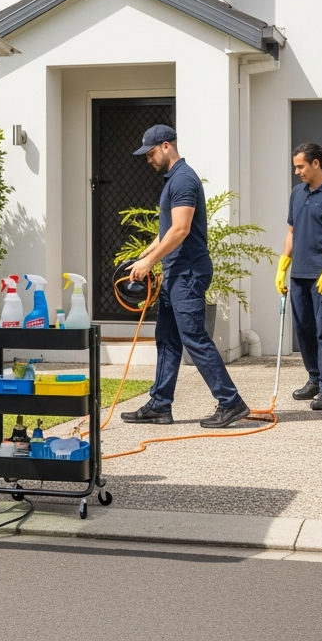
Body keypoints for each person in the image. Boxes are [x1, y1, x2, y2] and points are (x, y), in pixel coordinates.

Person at [120, 125, 249, 429]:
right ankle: (160, 405)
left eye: (150, 153)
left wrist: (152, 259)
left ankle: (231, 402)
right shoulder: (172, 181)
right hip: (175, 271)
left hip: (188, 272)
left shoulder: (183, 180)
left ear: (166, 146)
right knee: (167, 339)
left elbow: (181, 229)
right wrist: (145, 257)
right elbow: (166, 231)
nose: (148, 159)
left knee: (193, 336)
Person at [276, 142, 322, 411]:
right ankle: (315, 380)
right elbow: (292, 231)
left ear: (316, 163)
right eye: (295, 166)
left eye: (301, 166)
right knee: (305, 330)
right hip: (299, 275)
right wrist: (283, 265)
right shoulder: (297, 193)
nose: (297, 171)